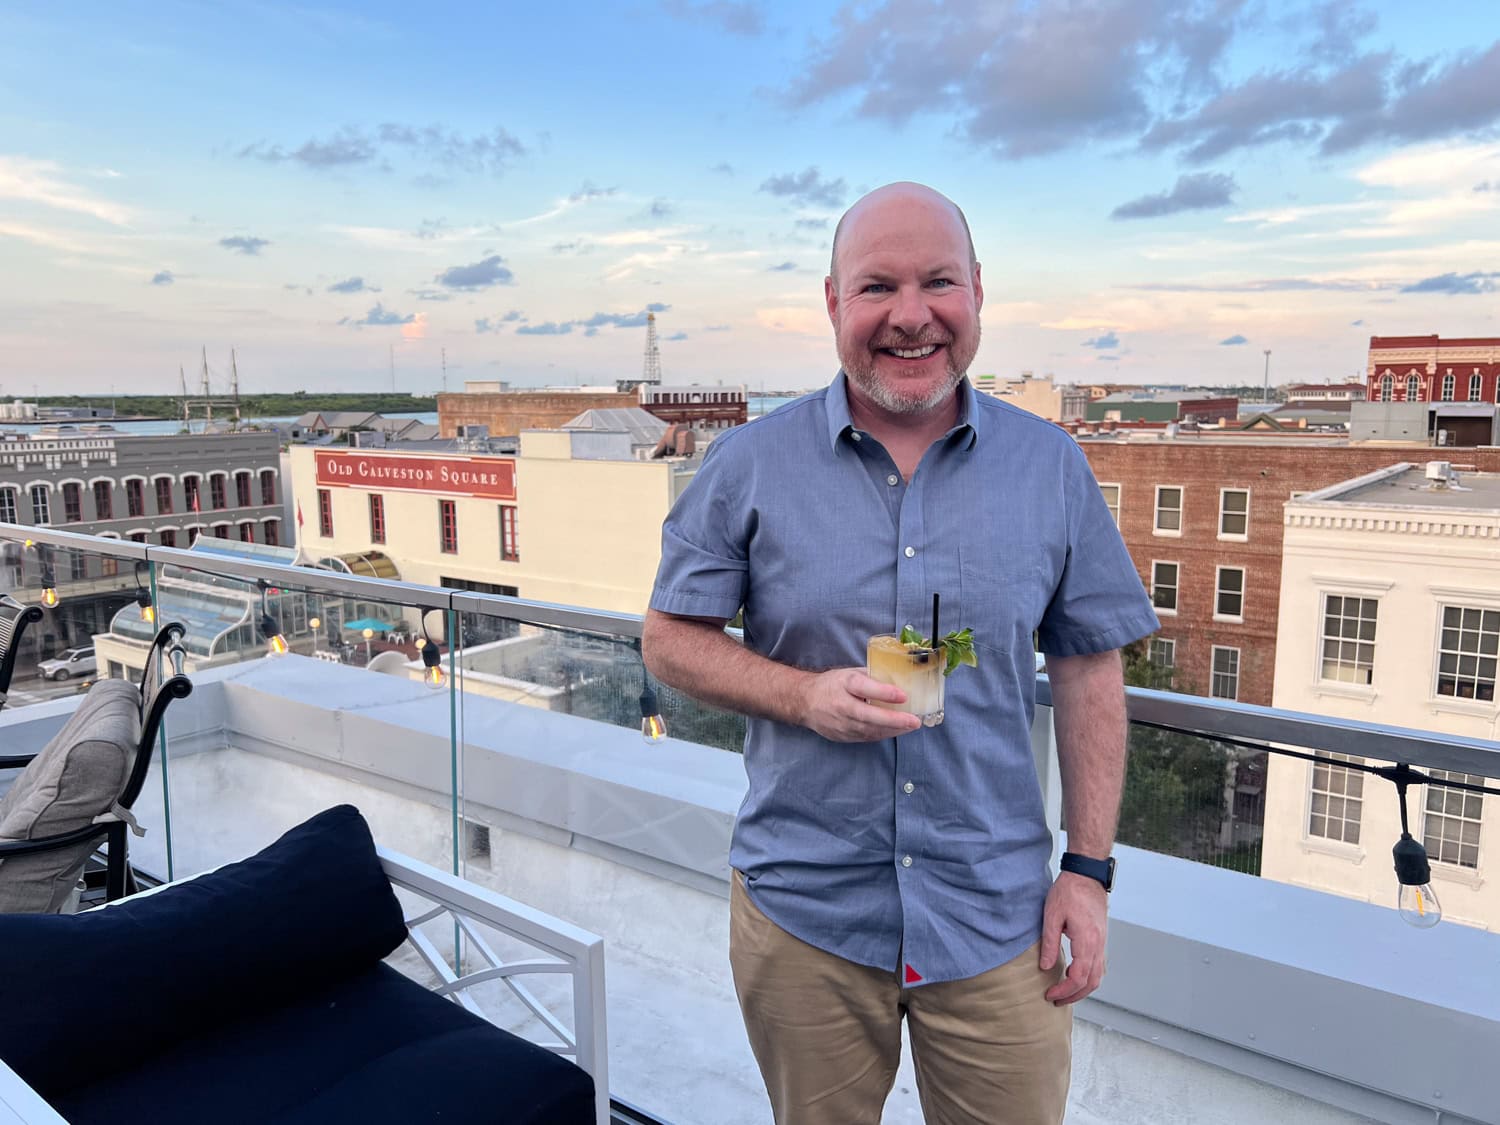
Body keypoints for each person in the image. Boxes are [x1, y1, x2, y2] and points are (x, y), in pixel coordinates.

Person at [643, 182, 1158, 1125]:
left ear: (977, 295)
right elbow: (669, 640)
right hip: (807, 919)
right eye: (877, 286)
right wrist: (802, 697)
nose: (911, 316)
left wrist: (1087, 871)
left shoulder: (1052, 468)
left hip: (1000, 922)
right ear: (833, 301)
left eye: (939, 283)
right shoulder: (748, 463)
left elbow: (1090, 666)